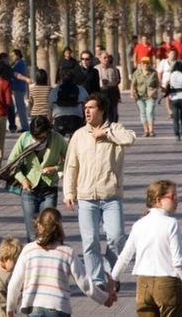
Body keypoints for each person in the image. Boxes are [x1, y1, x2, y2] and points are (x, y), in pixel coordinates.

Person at [63, 92, 136, 288]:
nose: (87, 111)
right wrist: (69, 193)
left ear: (101, 110)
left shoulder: (115, 129)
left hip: (111, 195)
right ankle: (97, 280)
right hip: (86, 197)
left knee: (116, 237)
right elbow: (71, 166)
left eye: (91, 108)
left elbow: (130, 138)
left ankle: (112, 273)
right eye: (85, 108)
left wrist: (105, 134)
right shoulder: (79, 135)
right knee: (90, 241)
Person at [110, 180, 182, 317]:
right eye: (173, 197)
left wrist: (112, 280)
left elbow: (124, 257)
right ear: (159, 200)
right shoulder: (171, 224)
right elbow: (178, 262)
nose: (177, 201)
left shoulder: (139, 224)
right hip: (167, 284)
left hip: (143, 285)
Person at [5, 208, 115, 317]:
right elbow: (85, 282)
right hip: (59, 308)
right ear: (59, 228)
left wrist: (10, 308)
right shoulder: (67, 252)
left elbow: (14, 283)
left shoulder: (28, 250)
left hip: (34, 308)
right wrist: (104, 298)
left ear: (39, 226)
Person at [7, 116, 68, 242]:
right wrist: (23, 180)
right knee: (32, 234)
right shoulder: (24, 138)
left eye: (41, 137)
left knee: (48, 229)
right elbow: (11, 163)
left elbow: (70, 160)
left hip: (49, 190)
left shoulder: (56, 138)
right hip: (29, 191)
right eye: (35, 137)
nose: (38, 141)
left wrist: (55, 168)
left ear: (48, 131)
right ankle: (34, 259)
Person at [49, 68, 88, 137]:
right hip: (76, 119)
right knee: (75, 139)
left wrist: (49, 125)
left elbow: (50, 110)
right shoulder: (81, 89)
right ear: (73, 79)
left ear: (61, 79)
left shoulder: (54, 91)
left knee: (59, 139)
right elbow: (86, 105)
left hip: (59, 120)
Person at [131, 57, 159, 137]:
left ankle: (151, 130)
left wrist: (154, 92)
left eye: (147, 63)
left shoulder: (153, 73)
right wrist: (132, 92)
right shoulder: (137, 73)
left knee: (149, 112)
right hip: (139, 95)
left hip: (150, 96)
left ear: (150, 64)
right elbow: (133, 84)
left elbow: (157, 85)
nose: (145, 65)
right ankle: (146, 130)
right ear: (141, 64)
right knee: (143, 112)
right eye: (143, 63)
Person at [165, 61, 182, 142]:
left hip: (174, 98)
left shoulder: (171, 75)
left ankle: (177, 134)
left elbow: (167, 85)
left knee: (175, 118)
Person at [10, 49, 33, 132]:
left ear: (18, 55)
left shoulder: (20, 64)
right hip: (17, 87)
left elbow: (17, 75)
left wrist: (26, 79)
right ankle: (24, 125)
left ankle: (25, 126)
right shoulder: (18, 64)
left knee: (21, 107)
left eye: (13, 55)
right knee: (20, 107)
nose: (12, 57)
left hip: (18, 87)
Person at [95, 51, 121, 123]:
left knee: (112, 109)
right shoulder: (96, 69)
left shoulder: (113, 68)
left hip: (111, 91)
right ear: (100, 59)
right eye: (104, 58)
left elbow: (117, 79)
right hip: (101, 91)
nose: (106, 59)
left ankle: (112, 123)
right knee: (102, 109)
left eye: (107, 58)